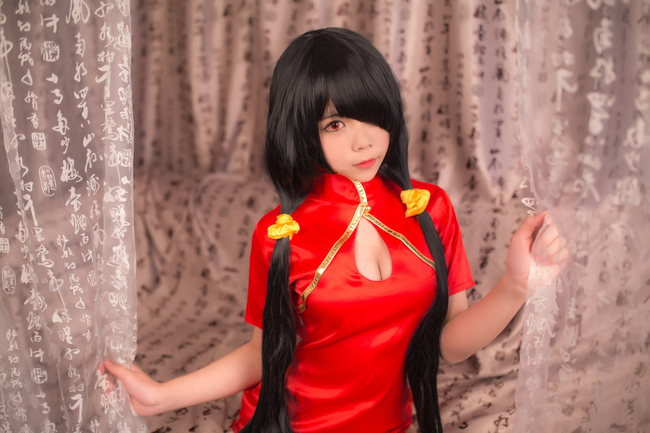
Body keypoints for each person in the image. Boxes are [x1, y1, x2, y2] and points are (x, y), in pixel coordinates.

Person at [103, 28, 566, 433]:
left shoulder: (431, 208)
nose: (363, 141)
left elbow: (450, 344)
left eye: (372, 115)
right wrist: (161, 396)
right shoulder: (278, 234)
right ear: (303, 134)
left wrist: (516, 286)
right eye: (336, 124)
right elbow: (261, 355)